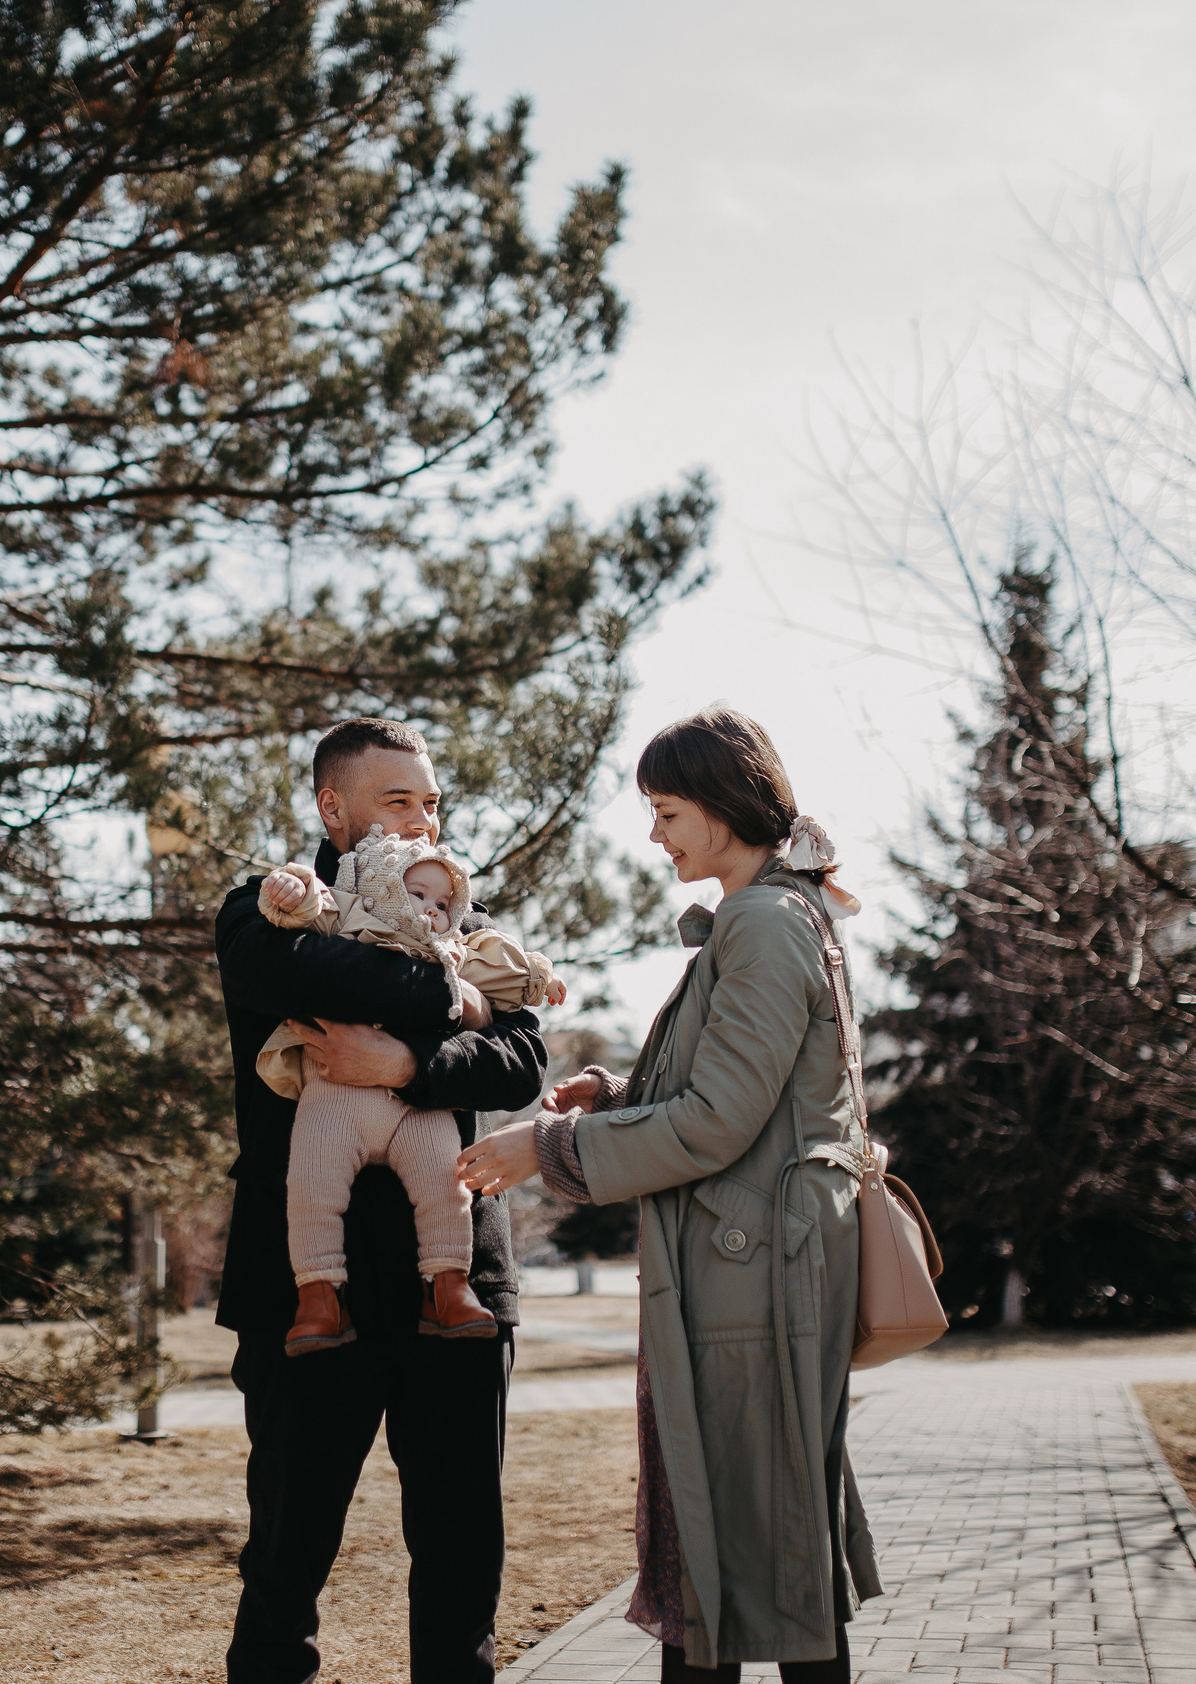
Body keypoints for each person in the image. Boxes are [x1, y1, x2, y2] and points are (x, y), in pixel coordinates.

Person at [460, 707, 880, 1684]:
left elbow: (718, 1124)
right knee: (749, 1543)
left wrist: (553, 1148)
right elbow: (743, 1100)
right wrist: (613, 1096)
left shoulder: (764, 921)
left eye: (667, 811)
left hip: (753, 1277)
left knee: (742, 1543)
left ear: (725, 806)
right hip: (754, 1269)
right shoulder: (771, 916)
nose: (654, 835)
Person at [215, 716, 549, 1684]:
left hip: (458, 1283)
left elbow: (524, 1057)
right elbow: (294, 970)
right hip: (305, 1294)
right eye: (396, 799)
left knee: (460, 1565)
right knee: (284, 1561)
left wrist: (407, 1062)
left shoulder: (471, 921)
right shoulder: (265, 909)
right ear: (334, 809)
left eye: (431, 800)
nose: (422, 817)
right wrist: (458, 1001)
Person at [255, 828, 563, 1353]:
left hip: (420, 1107)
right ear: (380, 888)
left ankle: (448, 1287)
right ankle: (319, 1294)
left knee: (448, 1184)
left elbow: (503, 982)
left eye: (443, 903)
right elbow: (308, 913)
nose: (432, 911)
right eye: (416, 894)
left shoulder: (456, 950)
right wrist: (292, 890)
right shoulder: (351, 917)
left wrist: (535, 979)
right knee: (312, 1186)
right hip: (336, 1098)